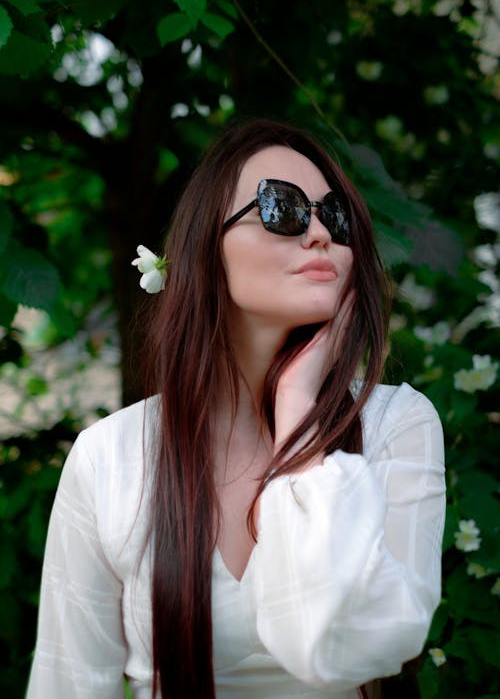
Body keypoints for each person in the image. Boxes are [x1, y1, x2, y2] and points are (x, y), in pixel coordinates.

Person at [26, 120, 446, 699]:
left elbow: (351, 651)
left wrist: (299, 415)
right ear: (206, 249)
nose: (320, 232)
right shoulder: (111, 457)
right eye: (283, 209)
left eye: (336, 215)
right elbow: (68, 682)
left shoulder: (395, 425)